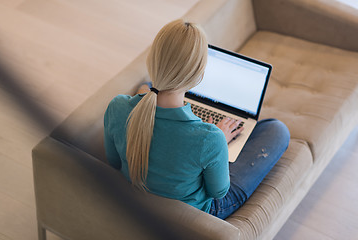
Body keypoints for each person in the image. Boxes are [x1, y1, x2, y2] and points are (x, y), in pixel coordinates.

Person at [104, 19, 290, 219]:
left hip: (139, 199)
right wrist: (220, 144)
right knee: (277, 130)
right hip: (192, 214)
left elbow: (114, 161)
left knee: (146, 84)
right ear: (199, 76)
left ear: (152, 60)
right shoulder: (210, 138)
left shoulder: (117, 107)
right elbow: (218, 192)